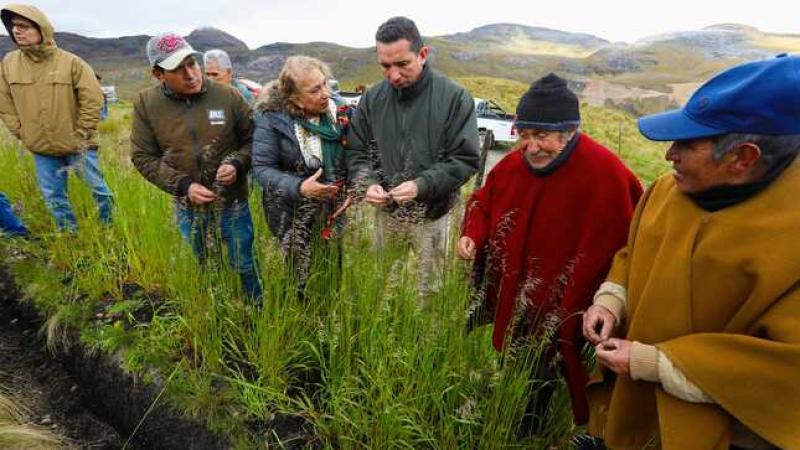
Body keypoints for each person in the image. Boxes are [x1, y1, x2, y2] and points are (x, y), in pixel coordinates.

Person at [583, 54, 800, 450]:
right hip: (636, 409)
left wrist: (655, 363)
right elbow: (635, 255)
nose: (669, 156)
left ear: (743, 157)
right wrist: (611, 300)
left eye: (687, 143)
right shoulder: (668, 190)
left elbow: (785, 369)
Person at [457, 74, 642, 433]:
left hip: (572, 302)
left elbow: (629, 241)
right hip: (519, 296)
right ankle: (516, 416)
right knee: (516, 357)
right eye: (524, 134)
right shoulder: (513, 165)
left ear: (570, 131)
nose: (531, 146)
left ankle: (548, 429)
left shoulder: (606, 172)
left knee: (557, 367)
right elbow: (482, 202)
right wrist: (473, 236)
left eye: (541, 135)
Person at [347, 16, 479, 297]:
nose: (393, 75)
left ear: (422, 54)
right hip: (386, 216)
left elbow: (465, 160)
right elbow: (356, 153)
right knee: (382, 291)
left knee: (430, 296)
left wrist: (421, 186)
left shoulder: (455, 98)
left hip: (433, 217)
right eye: (385, 66)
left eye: (402, 64)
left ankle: (424, 341)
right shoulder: (371, 100)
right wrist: (368, 183)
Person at [130, 32, 262, 303]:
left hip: (232, 202)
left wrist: (237, 163)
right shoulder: (146, 103)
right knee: (206, 264)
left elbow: (254, 141)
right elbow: (143, 156)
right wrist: (183, 186)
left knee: (245, 263)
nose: (191, 74)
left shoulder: (229, 96)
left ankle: (257, 312)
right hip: (188, 206)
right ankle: (218, 313)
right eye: (178, 69)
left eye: (192, 63)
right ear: (158, 74)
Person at [0, 4, 112, 232]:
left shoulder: (72, 62)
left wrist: (81, 134)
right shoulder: (8, 64)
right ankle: (68, 236)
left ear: (41, 29)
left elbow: (93, 99)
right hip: (41, 147)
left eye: (23, 26)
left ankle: (109, 231)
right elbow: (4, 102)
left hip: (79, 146)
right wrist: (20, 131)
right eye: (13, 27)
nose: (17, 31)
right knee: (54, 197)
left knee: (99, 191)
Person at [252, 56, 348, 298]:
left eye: (325, 83)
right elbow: (262, 168)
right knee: (299, 271)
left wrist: (354, 187)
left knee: (331, 267)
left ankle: (329, 311)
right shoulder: (271, 118)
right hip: (289, 210)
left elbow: (356, 153)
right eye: (315, 90)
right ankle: (303, 313)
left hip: (332, 208)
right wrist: (300, 187)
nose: (326, 93)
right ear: (294, 98)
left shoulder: (340, 111)